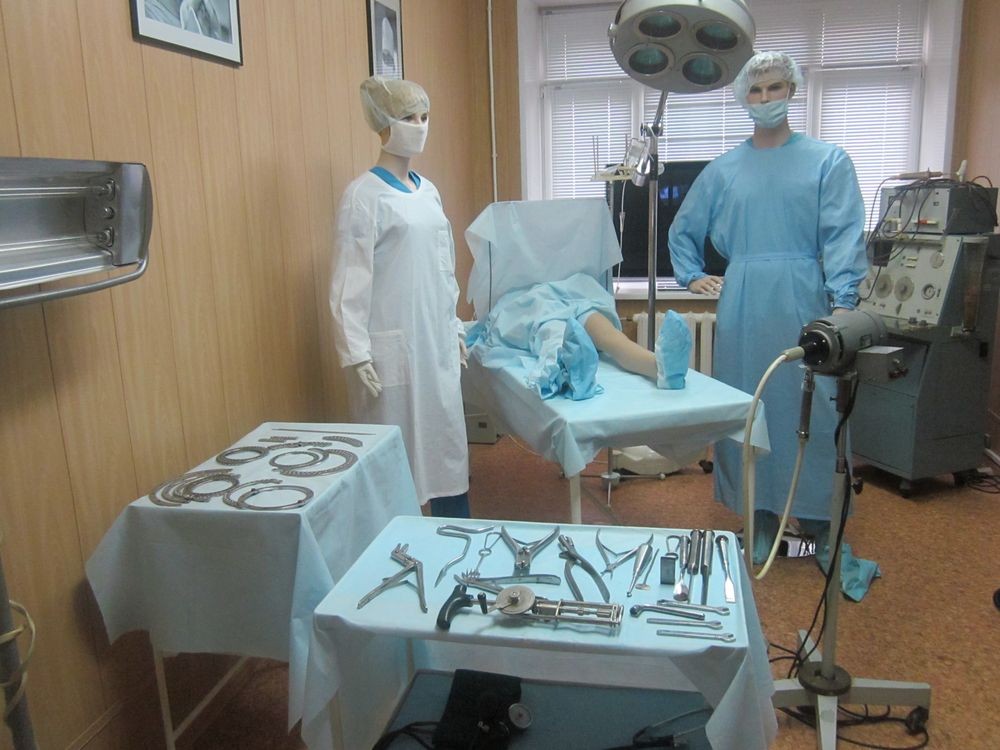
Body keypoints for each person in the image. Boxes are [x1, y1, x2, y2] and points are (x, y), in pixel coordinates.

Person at [668, 51, 878, 600]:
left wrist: (844, 302)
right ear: (743, 97)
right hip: (743, 302)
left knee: (815, 409)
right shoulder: (724, 169)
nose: (766, 99)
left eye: (776, 87)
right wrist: (692, 275)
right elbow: (683, 229)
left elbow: (844, 237)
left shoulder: (827, 161)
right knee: (749, 407)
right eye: (756, 90)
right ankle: (757, 513)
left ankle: (822, 523)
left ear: (793, 90)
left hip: (806, 297)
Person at [330, 77, 470, 518]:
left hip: (435, 343)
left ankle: (454, 537)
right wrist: (356, 354)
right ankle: (393, 545)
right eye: (409, 117)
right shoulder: (363, 196)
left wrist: (454, 327)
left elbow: (444, 269)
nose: (420, 126)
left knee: (446, 448)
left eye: (425, 117)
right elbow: (348, 283)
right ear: (383, 123)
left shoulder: (429, 192)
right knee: (393, 458)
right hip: (391, 349)